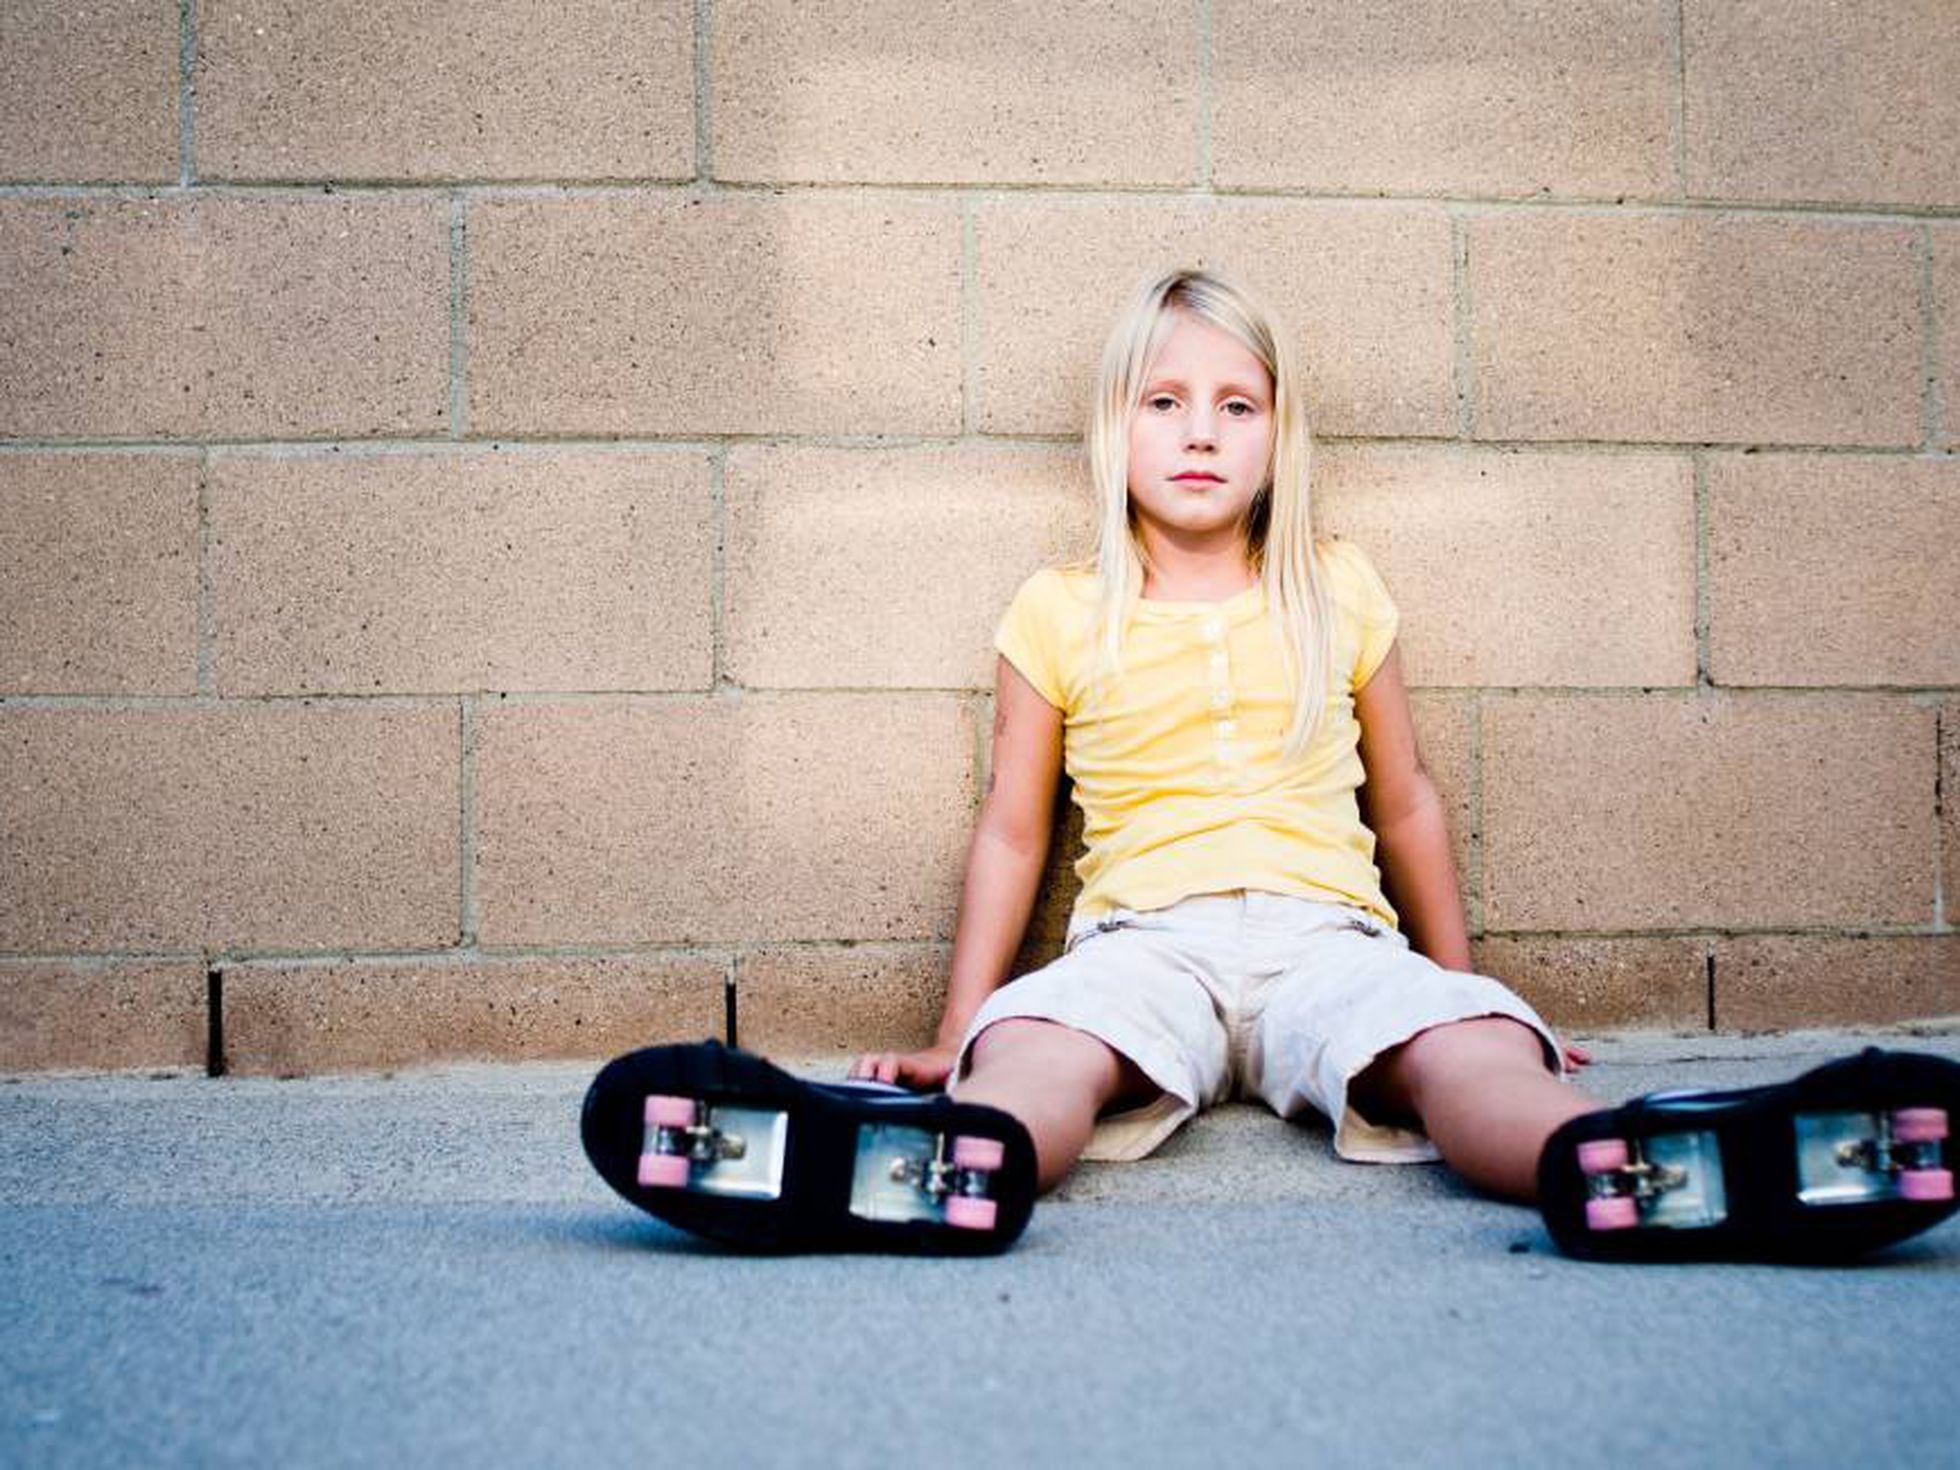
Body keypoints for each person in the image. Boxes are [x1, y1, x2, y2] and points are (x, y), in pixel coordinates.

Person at [582, 267, 1956, 1262]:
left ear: (1278, 435)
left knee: (1460, 1051)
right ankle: (943, 1162)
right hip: (1146, 940)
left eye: (1236, 405)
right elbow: (1012, 831)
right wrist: (962, 1024)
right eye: (1165, 400)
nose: (1198, 431)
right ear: (1113, 428)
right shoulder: (1060, 608)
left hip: (1328, 937)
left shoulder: (1338, 588)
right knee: (1041, 1049)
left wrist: (1466, 977)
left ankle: (1605, 1159)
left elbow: (1405, 797)